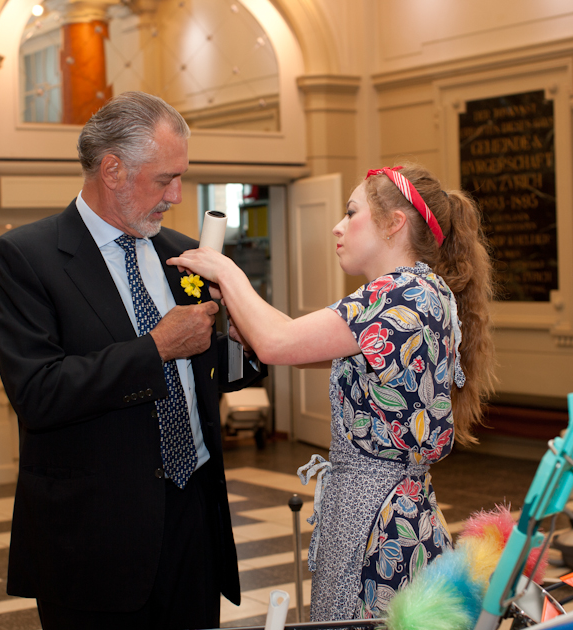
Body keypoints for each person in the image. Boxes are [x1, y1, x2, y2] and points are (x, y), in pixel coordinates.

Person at [0, 91, 264, 630]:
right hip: (95, 534)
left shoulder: (183, 253)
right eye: (165, 179)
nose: (177, 195)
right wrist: (156, 348)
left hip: (193, 518)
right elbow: (39, 394)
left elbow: (221, 373)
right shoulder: (27, 258)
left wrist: (247, 344)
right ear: (112, 170)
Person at [169, 163, 495, 621]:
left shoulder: (396, 294)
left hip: (372, 513)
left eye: (351, 212)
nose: (338, 227)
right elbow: (294, 346)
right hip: (392, 503)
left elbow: (277, 342)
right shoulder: (423, 291)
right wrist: (244, 318)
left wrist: (225, 269)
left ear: (394, 223)